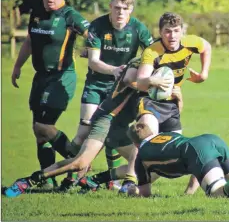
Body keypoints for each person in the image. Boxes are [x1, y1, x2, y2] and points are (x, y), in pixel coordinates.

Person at [3, 57, 172, 198]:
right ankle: (28, 181)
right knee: (80, 162)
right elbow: (129, 80)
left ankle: (95, 180)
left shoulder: (163, 66)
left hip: (120, 128)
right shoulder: (140, 61)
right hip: (106, 118)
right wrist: (152, 83)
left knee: (153, 164)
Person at [60, 0, 154, 190]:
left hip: (122, 89)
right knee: (84, 132)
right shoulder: (97, 26)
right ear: (110, 6)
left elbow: (153, 54)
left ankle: (111, 182)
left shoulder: (139, 29)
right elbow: (93, 61)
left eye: (125, 8)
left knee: (114, 133)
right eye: (117, 7)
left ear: (131, 9)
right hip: (96, 85)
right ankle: (69, 177)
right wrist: (114, 70)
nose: (120, 12)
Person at [10, 0, 90, 189]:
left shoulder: (69, 15)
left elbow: (91, 33)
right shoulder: (36, 14)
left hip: (61, 78)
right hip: (40, 78)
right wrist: (17, 66)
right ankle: (48, 182)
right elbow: (29, 41)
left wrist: (93, 51)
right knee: (39, 133)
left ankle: (80, 161)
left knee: (43, 127)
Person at [120, 12, 212, 193]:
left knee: (172, 149)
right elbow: (141, 80)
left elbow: (207, 47)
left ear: (182, 31)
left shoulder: (190, 43)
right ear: (161, 32)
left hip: (171, 104)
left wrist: (204, 74)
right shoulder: (152, 51)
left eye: (176, 31)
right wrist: (154, 81)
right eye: (168, 31)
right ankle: (128, 182)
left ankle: (132, 182)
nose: (172, 36)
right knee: (146, 138)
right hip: (149, 101)